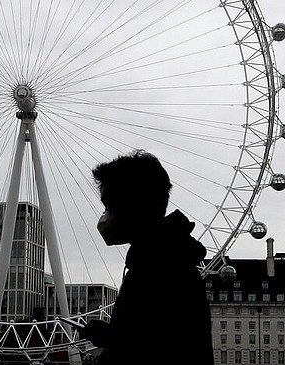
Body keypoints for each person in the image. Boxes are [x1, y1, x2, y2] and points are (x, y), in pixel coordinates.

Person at [80, 150, 214, 364]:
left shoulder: (159, 270)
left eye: (109, 206)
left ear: (134, 205)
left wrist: (112, 338)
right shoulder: (168, 258)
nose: (105, 216)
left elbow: (155, 349)